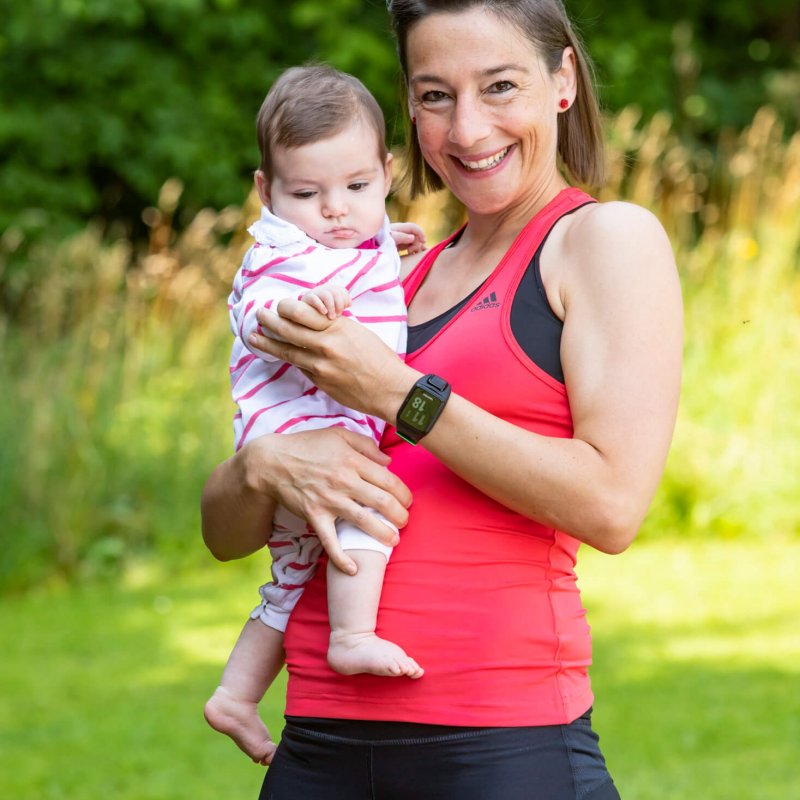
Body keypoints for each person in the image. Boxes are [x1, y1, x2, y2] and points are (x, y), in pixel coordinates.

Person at [201, 1, 683, 797]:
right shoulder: (386, 279)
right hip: (316, 742)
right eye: (434, 96)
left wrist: (396, 392)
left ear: (562, 78)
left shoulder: (602, 241)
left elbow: (612, 505)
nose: (466, 130)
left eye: (499, 86)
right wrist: (262, 466)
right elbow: (225, 536)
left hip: (496, 742)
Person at [204, 64, 427, 767]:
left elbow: (355, 259)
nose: (336, 209)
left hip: (319, 432)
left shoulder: (356, 243)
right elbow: (258, 308)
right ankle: (351, 636)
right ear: (267, 192)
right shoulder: (280, 257)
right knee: (368, 516)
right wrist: (295, 315)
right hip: (299, 437)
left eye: (357, 188)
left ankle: (235, 696)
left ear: (387, 174)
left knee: (292, 577)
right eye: (308, 193)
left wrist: (385, 246)